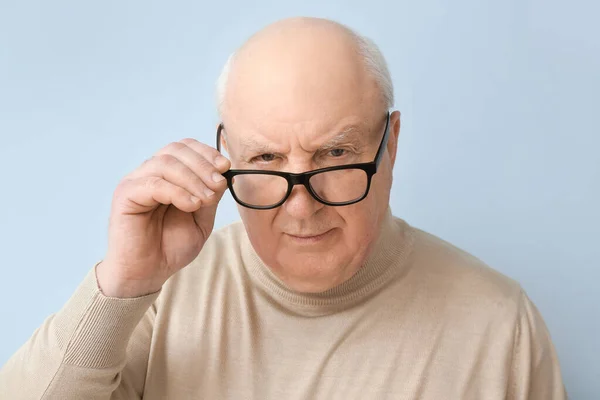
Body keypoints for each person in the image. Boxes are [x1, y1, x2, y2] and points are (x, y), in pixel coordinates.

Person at [0, 17, 566, 399]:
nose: (300, 207)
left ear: (390, 145)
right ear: (226, 153)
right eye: (266, 158)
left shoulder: (500, 327)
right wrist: (122, 285)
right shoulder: (163, 293)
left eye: (335, 153)